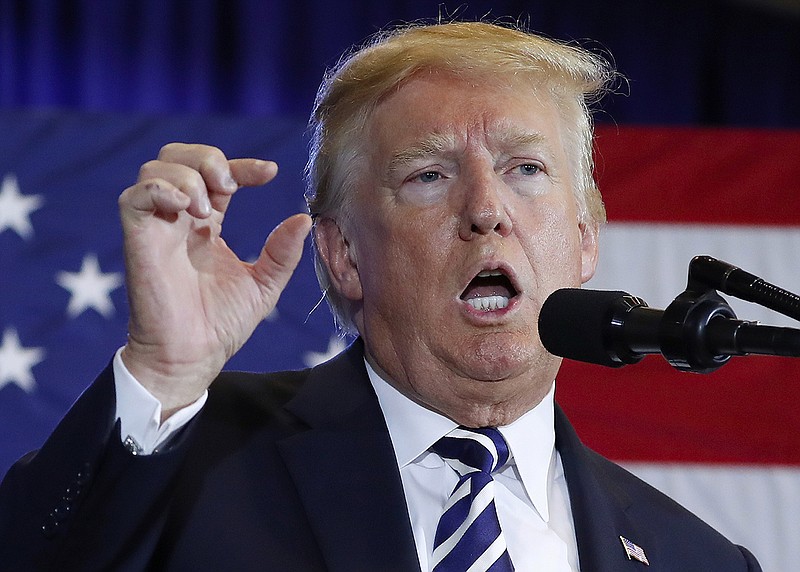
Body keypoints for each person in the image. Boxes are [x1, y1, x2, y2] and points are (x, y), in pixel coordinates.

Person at [0, 21, 761, 571]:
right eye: (429, 175)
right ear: (344, 255)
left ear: (586, 238)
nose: (486, 208)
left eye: (526, 169)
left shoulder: (696, 557)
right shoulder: (192, 465)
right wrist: (162, 371)